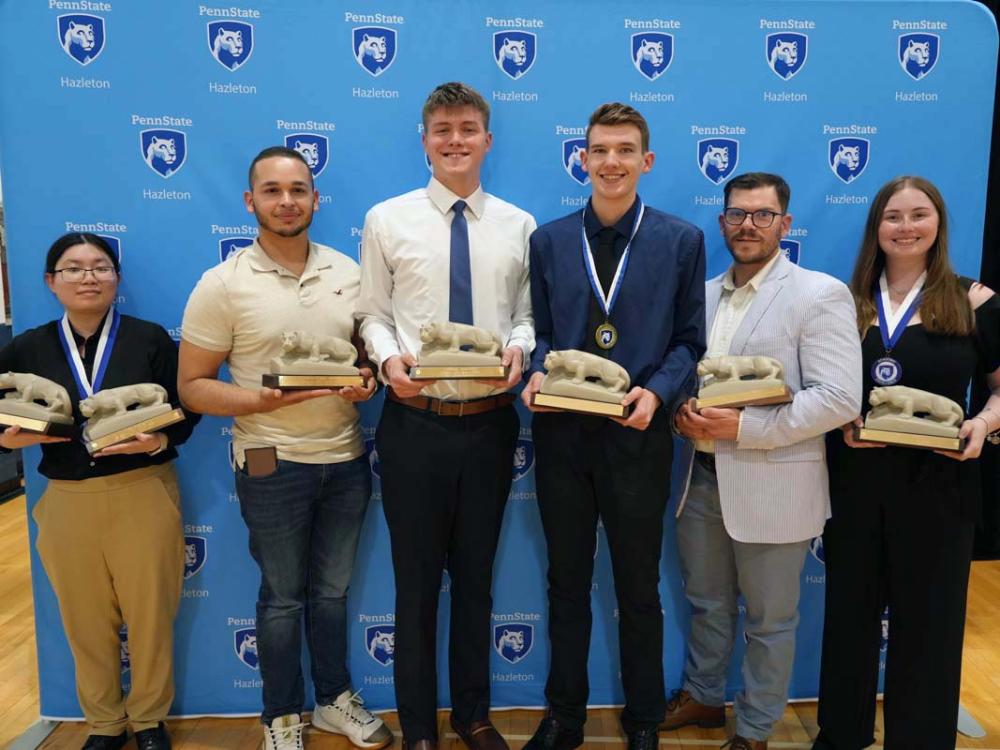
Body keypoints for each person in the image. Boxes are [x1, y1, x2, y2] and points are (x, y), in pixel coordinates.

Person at [177, 147, 390, 750]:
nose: (287, 200)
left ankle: (331, 700)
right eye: (272, 191)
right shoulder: (222, 284)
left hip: (345, 459)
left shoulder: (349, 274)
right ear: (251, 201)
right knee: (281, 599)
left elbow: (365, 363)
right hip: (270, 462)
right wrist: (261, 403)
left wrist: (366, 382)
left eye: (298, 189)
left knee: (332, 593)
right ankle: (280, 716)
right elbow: (191, 388)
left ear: (315, 199)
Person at [519, 102, 706, 750]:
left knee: (638, 584)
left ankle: (644, 719)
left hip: (638, 435)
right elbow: (541, 335)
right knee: (566, 582)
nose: (611, 162)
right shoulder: (547, 241)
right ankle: (563, 716)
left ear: (646, 161)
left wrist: (656, 394)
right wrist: (537, 373)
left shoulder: (681, 240)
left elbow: (689, 341)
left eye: (625, 150)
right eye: (599, 150)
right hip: (564, 436)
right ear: (582, 158)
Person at [356, 82, 534, 750]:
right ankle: (419, 729)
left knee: (478, 582)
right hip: (415, 423)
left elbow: (525, 315)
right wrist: (386, 360)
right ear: (424, 140)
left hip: (490, 424)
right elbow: (372, 310)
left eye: (467, 129)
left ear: (488, 140)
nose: (455, 140)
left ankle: (473, 716)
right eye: (442, 130)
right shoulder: (387, 219)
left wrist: (519, 348)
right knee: (416, 586)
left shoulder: (519, 225)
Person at [670, 172, 862, 750]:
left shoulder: (819, 294)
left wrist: (745, 428)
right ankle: (704, 698)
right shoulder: (699, 295)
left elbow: (838, 398)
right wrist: (681, 412)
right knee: (706, 604)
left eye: (761, 215)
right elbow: (684, 372)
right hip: (699, 479)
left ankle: (754, 728)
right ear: (722, 220)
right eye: (736, 214)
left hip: (775, 481)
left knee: (771, 621)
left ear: (785, 223)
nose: (747, 225)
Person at [811, 176, 1000, 750]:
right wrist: (841, 420)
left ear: (938, 224)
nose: (906, 226)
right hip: (856, 482)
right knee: (850, 617)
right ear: (877, 228)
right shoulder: (847, 301)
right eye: (894, 216)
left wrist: (984, 423)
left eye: (919, 215)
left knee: (931, 624)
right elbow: (824, 385)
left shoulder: (974, 299)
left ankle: (920, 739)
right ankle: (840, 735)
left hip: (939, 486)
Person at [0, 233, 199, 750]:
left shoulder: (150, 338)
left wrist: (160, 438)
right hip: (67, 499)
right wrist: (7, 439)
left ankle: (150, 719)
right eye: (73, 268)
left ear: (116, 278)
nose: (88, 277)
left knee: (152, 614)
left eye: (100, 267)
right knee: (84, 619)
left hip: (144, 491)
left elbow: (186, 408)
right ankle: (105, 724)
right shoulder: (26, 347)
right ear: (51, 281)